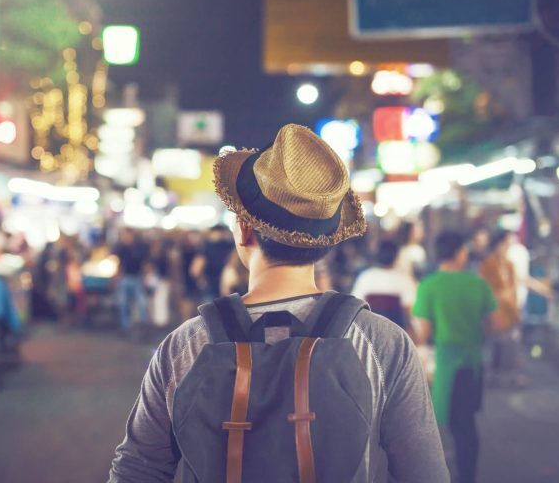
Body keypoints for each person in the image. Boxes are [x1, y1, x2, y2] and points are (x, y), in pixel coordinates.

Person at [110, 124, 448, 482]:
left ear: (243, 229)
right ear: (327, 242)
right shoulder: (383, 345)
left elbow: (136, 469)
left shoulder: (185, 346)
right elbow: (424, 474)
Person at [414, 232, 498, 483]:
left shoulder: (429, 285)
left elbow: (424, 332)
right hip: (472, 363)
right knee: (467, 425)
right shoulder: (477, 283)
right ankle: (468, 474)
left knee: (444, 427)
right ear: (460, 252)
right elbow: (494, 323)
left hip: (444, 366)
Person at [479, 230, 524, 387]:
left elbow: (513, 288)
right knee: (495, 346)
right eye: (504, 244)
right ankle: (493, 375)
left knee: (511, 345)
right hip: (495, 311)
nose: (505, 248)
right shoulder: (488, 264)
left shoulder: (509, 265)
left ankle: (510, 376)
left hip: (510, 310)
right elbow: (486, 289)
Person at [352, 239, 417, 342]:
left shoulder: (365, 277)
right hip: (397, 337)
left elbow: (355, 307)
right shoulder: (405, 280)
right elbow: (411, 313)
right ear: (397, 257)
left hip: (369, 335)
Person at [113, 229, 149, 333]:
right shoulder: (120, 248)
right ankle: (125, 325)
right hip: (125, 278)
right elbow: (116, 261)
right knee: (123, 303)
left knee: (141, 302)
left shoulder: (139, 248)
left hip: (137, 277)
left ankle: (143, 324)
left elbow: (144, 263)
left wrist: (145, 277)